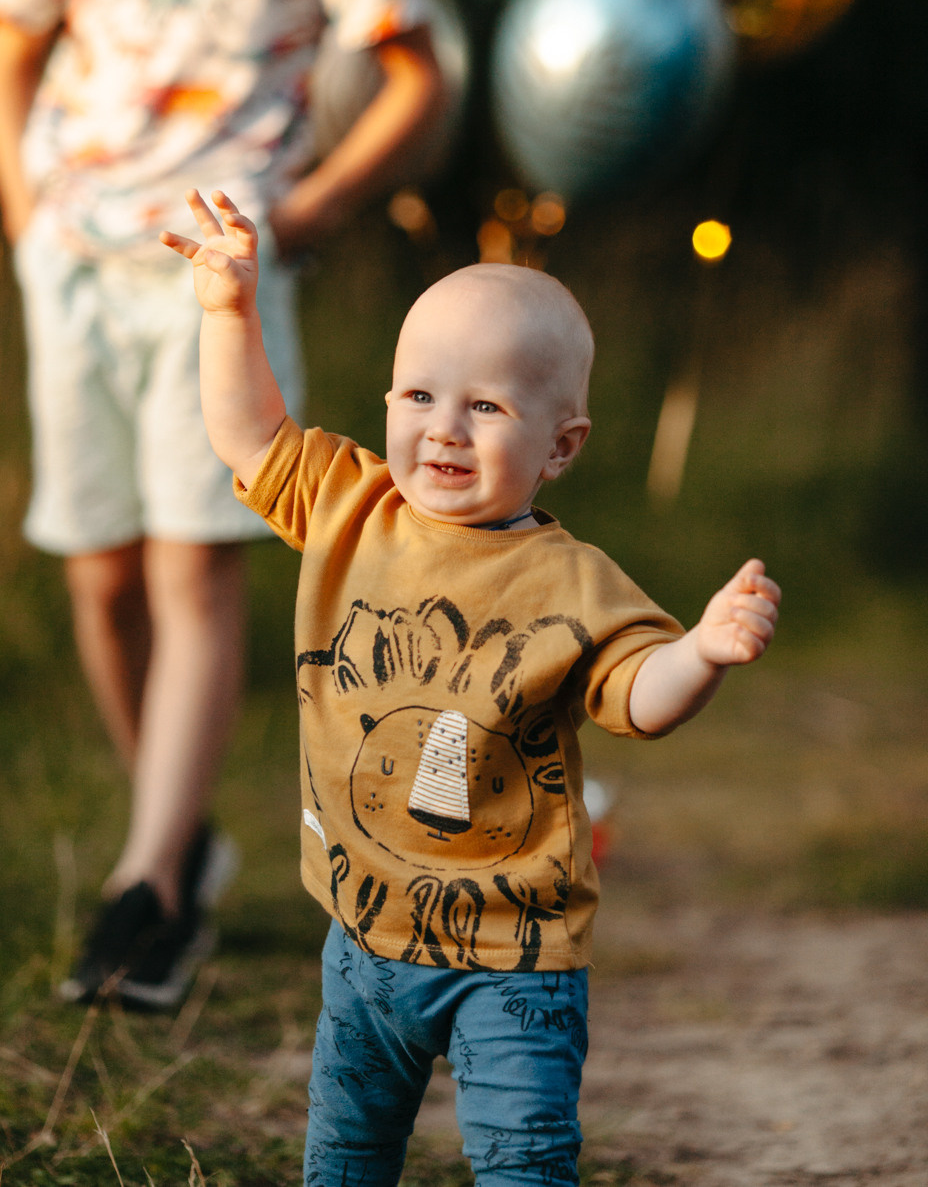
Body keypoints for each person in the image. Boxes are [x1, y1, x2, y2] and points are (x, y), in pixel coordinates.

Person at [0, 0, 441, 1011]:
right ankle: (179, 837)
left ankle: (150, 890)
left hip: (213, 284)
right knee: (101, 577)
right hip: (72, 269)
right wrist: (23, 217)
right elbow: (6, 55)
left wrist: (309, 212)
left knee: (192, 575)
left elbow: (416, 73)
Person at [162, 188, 782, 1185]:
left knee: (522, 1163)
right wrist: (226, 312)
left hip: (514, 958)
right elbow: (249, 436)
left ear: (560, 444)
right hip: (361, 941)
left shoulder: (571, 584)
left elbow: (639, 698)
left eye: (484, 406)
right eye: (418, 397)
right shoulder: (349, 505)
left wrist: (701, 650)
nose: (442, 430)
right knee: (344, 1158)